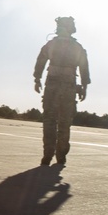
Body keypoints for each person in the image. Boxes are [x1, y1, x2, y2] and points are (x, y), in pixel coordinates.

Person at [33, 16, 90, 166]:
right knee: (65, 123)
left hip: (52, 85)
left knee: (49, 121)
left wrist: (37, 79)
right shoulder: (78, 48)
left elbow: (40, 62)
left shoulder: (50, 45)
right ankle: (60, 156)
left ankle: (48, 155)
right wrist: (84, 87)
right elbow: (84, 69)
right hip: (68, 86)